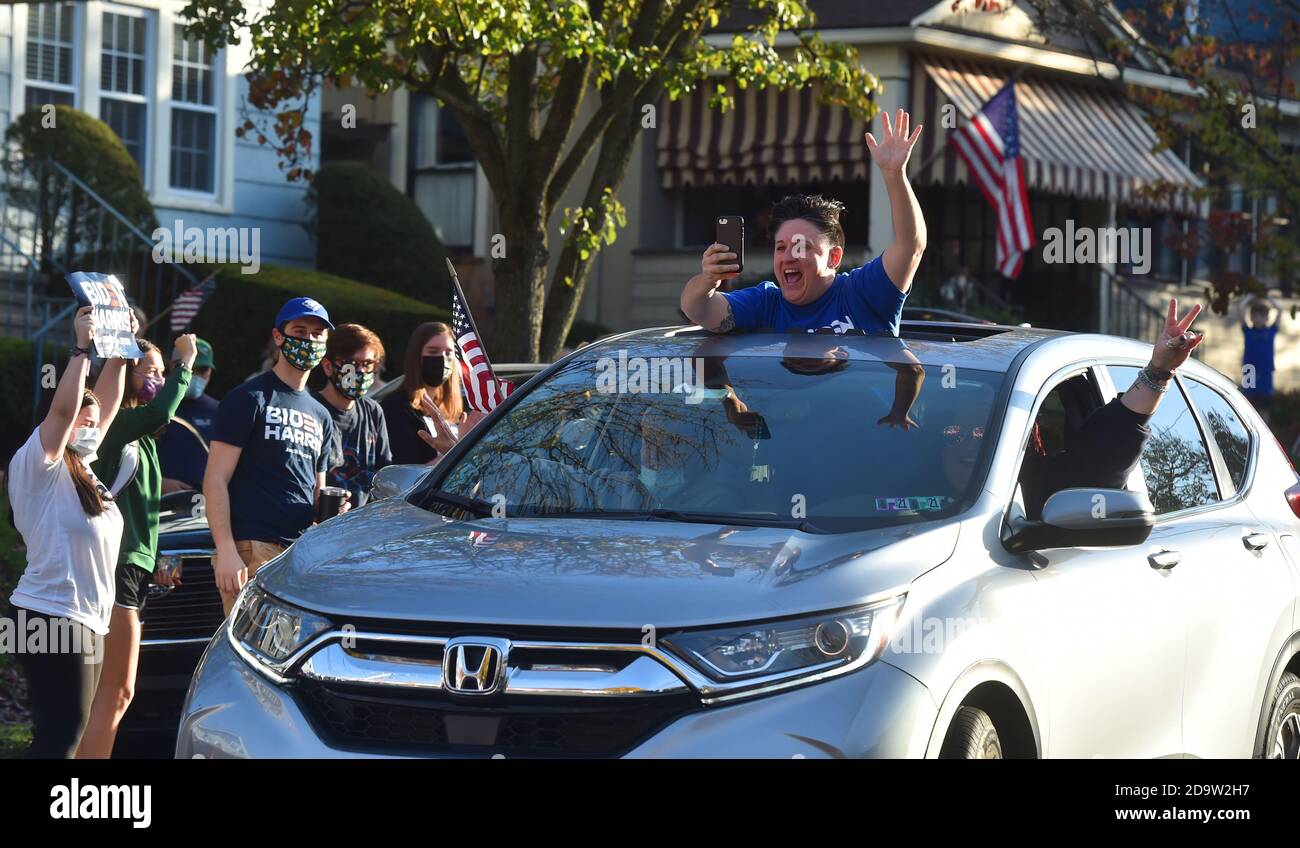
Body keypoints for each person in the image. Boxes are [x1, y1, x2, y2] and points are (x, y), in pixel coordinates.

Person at [3, 306, 127, 758]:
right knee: (62, 737)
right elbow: (62, 409)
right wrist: (82, 349)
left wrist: (121, 350)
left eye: (94, 424)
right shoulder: (40, 462)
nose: (91, 427)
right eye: (83, 420)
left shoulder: (87, 469)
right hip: (49, 614)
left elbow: (107, 405)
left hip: (85, 618)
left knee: (65, 736)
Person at [680, 108, 926, 335]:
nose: (788, 257)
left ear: (834, 258)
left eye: (801, 246)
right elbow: (696, 308)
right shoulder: (766, 303)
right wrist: (708, 279)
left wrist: (895, 175)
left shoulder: (861, 293)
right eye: (780, 247)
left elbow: (910, 246)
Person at [76, 334, 197, 758]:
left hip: (134, 564)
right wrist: (187, 362)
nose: (160, 380)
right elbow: (164, 409)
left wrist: (157, 557)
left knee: (112, 693)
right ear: (125, 373)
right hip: (115, 565)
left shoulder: (142, 436)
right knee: (115, 692)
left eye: (165, 373)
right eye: (151, 371)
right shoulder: (116, 426)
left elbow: (142, 505)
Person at [204, 298, 340, 615]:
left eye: (318, 334)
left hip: (299, 553)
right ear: (279, 337)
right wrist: (226, 549)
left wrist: (334, 508)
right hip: (251, 548)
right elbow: (214, 479)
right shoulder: (249, 397)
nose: (309, 341)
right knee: (253, 653)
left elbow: (317, 490)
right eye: (300, 331)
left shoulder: (321, 414)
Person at [1018, 299, 1205, 520]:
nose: (971, 433)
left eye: (979, 428)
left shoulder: (1033, 484)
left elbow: (1106, 451)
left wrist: (1160, 370)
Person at [381, 321, 484, 466]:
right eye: (433, 351)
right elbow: (405, 475)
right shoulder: (395, 408)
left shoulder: (456, 410)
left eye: (449, 353)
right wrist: (461, 446)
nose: (442, 359)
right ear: (416, 357)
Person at [312, 323, 392, 508]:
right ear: (328, 366)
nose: (362, 372)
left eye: (368, 364)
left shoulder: (373, 412)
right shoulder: (312, 410)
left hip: (361, 527)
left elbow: (385, 476)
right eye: (353, 364)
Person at [160, 338, 219, 493]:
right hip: (156, 502)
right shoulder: (154, 404)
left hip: (202, 504)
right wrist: (157, 482)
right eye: (192, 367)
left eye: (203, 370)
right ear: (173, 366)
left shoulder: (218, 410)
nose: (196, 375)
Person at [1240, 293, 1281, 422]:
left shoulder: (1271, 331)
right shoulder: (1248, 331)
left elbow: (1279, 310)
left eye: (1261, 316)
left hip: (1265, 373)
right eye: (1255, 316)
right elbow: (1241, 308)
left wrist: (1267, 296)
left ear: (1266, 318)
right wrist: (1251, 297)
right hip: (1249, 372)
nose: (1258, 319)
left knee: (1264, 409)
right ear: (1251, 317)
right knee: (1247, 407)